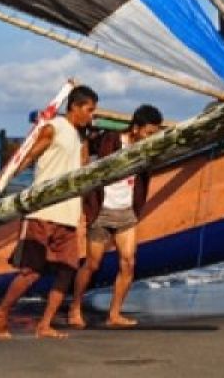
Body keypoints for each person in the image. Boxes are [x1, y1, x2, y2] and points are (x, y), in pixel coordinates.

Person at [0, 84, 97, 340]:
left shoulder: (80, 138)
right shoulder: (54, 127)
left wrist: (81, 210)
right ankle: (1, 312)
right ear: (75, 107)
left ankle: (45, 324)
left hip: (68, 213)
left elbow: (80, 174)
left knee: (67, 271)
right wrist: (2, 176)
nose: (92, 115)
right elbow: (26, 157)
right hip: (44, 211)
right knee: (32, 272)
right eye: (89, 110)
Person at [68, 104, 164, 329]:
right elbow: (85, 143)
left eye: (154, 134)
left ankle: (114, 314)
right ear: (135, 128)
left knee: (128, 262)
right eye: (148, 133)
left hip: (126, 212)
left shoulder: (147, 149)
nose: (150, 138)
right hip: (102, 211)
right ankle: (75, 308)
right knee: (92, 264)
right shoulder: (111, 139)